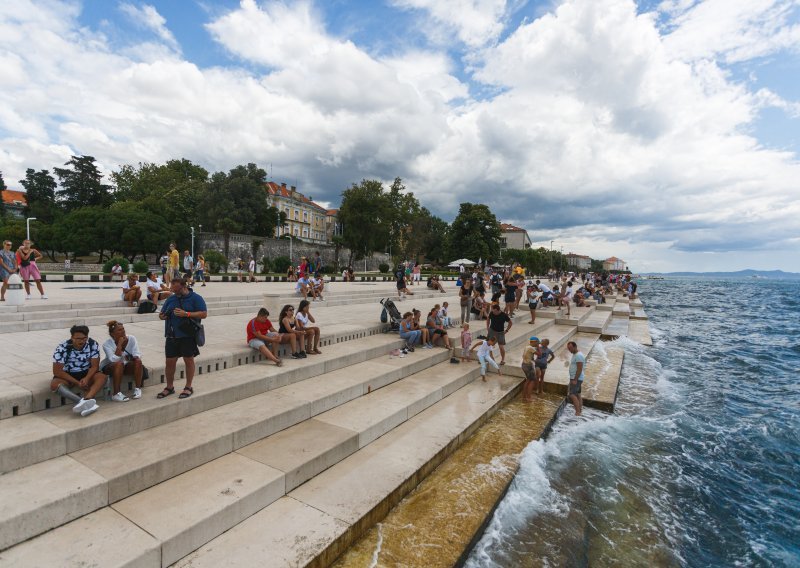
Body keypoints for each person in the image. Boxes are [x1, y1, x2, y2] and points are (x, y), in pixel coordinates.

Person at [157, 277, 207, 400]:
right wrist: (162, 316)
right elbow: (161, 314)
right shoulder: (171, 299)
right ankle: (169, 387)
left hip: (187, 335)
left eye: (175, 287)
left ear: (183, 286)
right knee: (169, 362)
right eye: (172, 286)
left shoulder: (196, 298)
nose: (172, 289)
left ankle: (188, 386)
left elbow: (204, 314)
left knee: (188, 360)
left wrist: (187, 314)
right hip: (172, 335)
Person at [50, 325, 104, 417]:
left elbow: (95, 366)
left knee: (102, 377)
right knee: (54, 384)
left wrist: (87, 378)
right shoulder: (62, 347)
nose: (82, 341)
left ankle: (88, 399)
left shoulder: (92, 344)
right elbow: (57, 372)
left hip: (86, 372)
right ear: (72, 337)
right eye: (78, 338)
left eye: (84, 338)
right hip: (68, 374)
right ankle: (81, 402)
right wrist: (77, 382)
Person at [100, 320, 144, 401]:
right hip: (110, 367)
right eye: (119, 330)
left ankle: (138, 389)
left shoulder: (132, 338)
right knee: (119, 363)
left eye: (123, 329)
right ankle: (116, 393)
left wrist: (131, 358)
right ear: (112, 334)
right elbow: (113, 359)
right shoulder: (107, 344)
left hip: (125, 366)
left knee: (138, 361)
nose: (123, 331)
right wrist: (119, 344)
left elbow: (137, 354)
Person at [567, 341, 585, 416]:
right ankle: (579, 410)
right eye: (568, 349)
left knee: (572, 394)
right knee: (578, 394)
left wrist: (575, 379)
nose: (569, 350)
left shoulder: (578, 355)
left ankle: (577, 412)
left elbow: (580, 368)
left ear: (575, 347)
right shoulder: (575, 354)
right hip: (576, 378)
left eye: (570, 348)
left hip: (576, 378)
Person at [521, 336, 540, 402]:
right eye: (537, 343)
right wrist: (538, 347)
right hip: (528, 366)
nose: (538, 344)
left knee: (528, 380)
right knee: (532, 381)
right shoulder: (531, 348)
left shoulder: (527, 347)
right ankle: (528, 397)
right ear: (534, 342)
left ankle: (524, 397)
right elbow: (539, 354)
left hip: (524, 364)